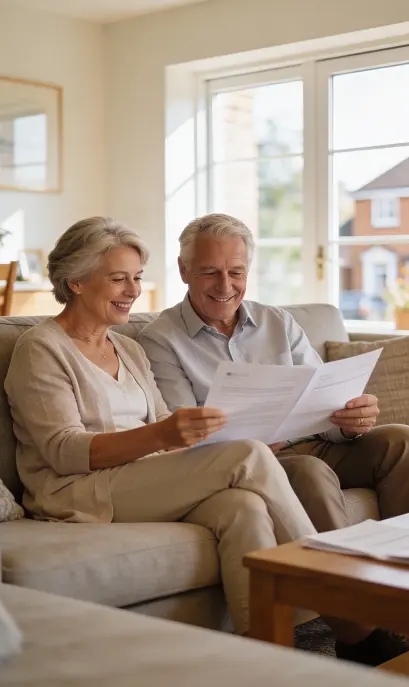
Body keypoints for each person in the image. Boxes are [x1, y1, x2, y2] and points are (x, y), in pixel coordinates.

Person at [5, 215, 321, 641]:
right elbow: (63, 451)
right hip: (74, 488)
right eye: (119, 279)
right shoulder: (41, 348)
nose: (133, 291)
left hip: (141, 476)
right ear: (76, 282)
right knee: (247, 453)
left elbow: (160, 426)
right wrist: (164, 436)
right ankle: (339, 591)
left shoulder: (128, 348)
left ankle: (269, 649)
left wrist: (178, 440)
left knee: (242, 507)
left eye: (136, 277)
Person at [137, 212, 409, 663]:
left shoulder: (278, 322)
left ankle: (401, 589)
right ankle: (360, 629)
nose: (225, 284)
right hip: (251, 462)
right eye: (210, 271)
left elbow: (324, 400)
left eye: (236, 272)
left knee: (399, 439)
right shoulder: (160, 340)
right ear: (184, 270)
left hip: (311, 440)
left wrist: (348, 418)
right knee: (309, 470)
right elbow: (185, 436)